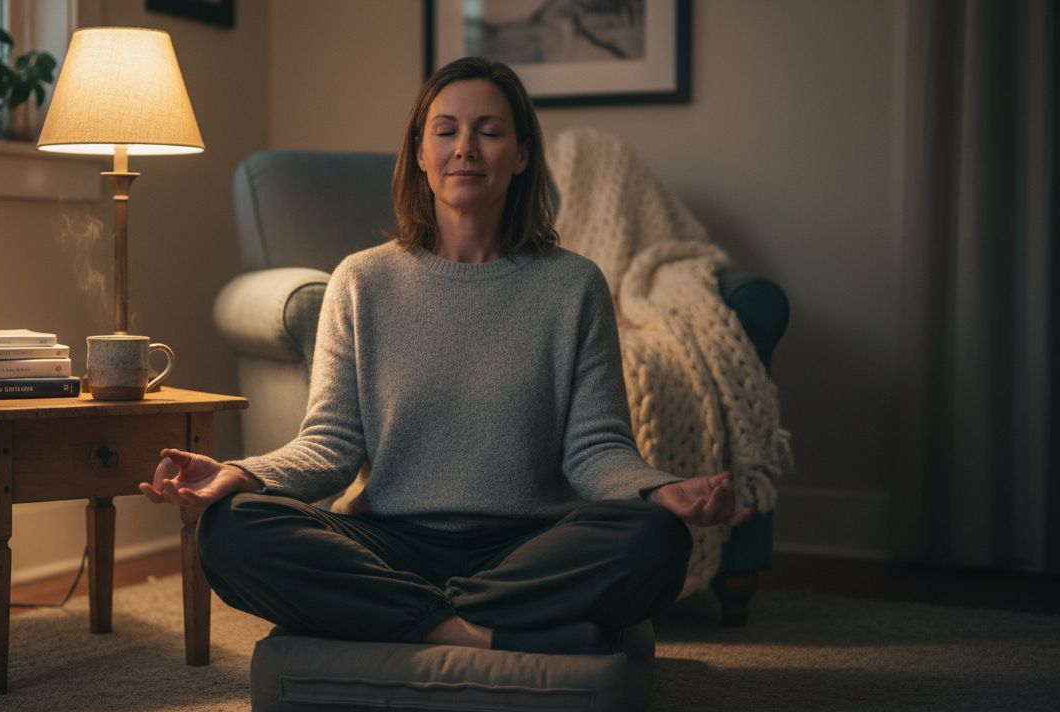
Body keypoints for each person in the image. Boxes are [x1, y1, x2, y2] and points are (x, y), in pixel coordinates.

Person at [140, 57, 754, 655]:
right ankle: (472, 631)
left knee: (655, 539)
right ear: (420, 152)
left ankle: (404, 617)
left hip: (528, 547)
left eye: (489, 131)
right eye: (446, 131)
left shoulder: (573, 285)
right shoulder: (360, 281)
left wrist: (658, 490)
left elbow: (596, 448)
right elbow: (329, 445)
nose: (465, 148)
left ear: (521, 155)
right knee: (231, 529)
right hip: (390, 542)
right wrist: (242, 474)